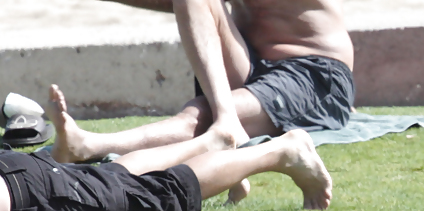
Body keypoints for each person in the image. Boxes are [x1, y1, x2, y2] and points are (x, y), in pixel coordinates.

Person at [0, 86, 332, 211]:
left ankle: (282, 152)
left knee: (164, 195)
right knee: (113, 179)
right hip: (23, 180)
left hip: (30, 192)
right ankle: (209, 143)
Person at [51, 0, 354, 163]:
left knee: (198, 116)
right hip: (250, 62)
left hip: (314, 74)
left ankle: (90, 145)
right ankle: (227, 121)